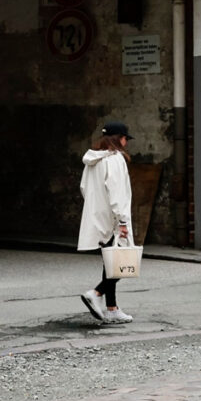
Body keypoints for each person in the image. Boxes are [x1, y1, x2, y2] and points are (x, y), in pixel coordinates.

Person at [76, 120, 136, 325]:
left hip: (97, 216)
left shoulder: (93, 160)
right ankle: (96, 292)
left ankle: (112, 308)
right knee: (122, 262)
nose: (126, 142)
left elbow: (84, 188)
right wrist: (122, 222)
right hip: (113, 218)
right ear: (119, 139)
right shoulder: (115, 160)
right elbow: (117, 194)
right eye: (125, 138)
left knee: (111, 261)